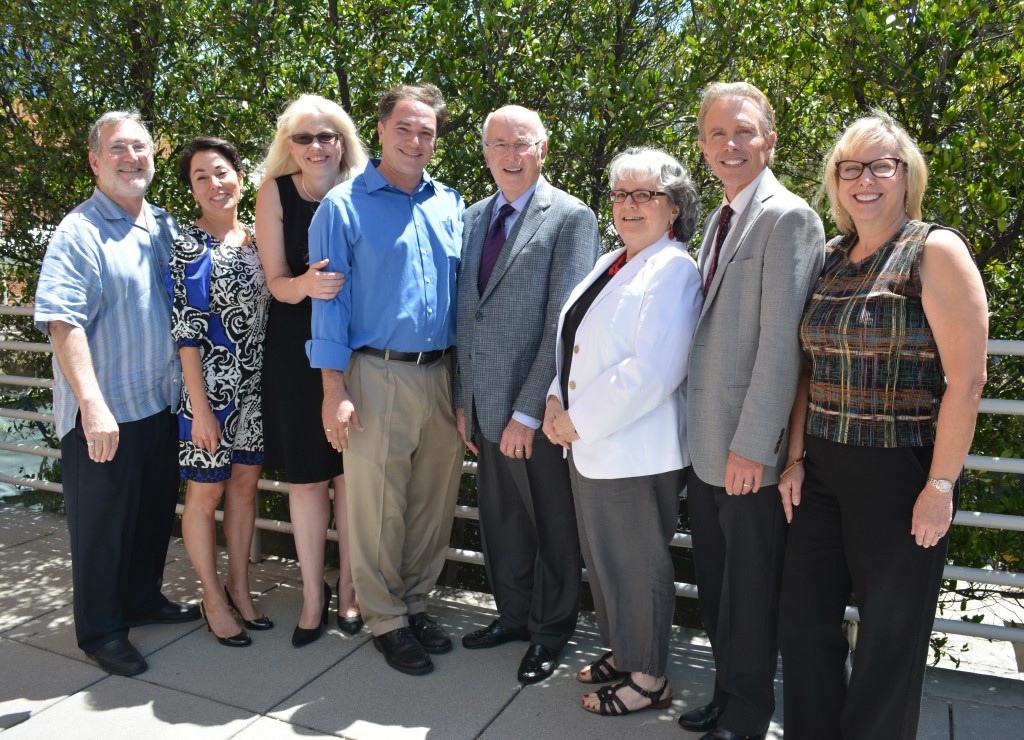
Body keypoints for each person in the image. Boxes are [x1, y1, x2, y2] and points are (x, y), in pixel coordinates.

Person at [777, 113, 988, 740]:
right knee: (803, 623)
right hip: (820, 468)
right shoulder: (832, 258)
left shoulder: (934, 249)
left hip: (901, 473)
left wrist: (941, 486)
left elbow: (968, 380)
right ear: (835, 181)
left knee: (889, 641)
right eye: (850, 168)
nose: (864, 180)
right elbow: (808, 370)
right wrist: (794, 459)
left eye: (880, 166)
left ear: (906, 175)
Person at [680, 82, 825, 740]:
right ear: (704, 145)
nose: (729, 144)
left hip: (747, 454)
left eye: (744, 132)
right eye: (717, 133)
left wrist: (755, 448)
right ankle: (723, 695)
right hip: (705, 446)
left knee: (751, 592)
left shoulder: (787, 217)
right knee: (716, 588)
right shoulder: (721, 216)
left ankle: (746, 715)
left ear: (770, 139)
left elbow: (781, 346)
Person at [33, 110, 199, 676]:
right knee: (101, 527)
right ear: (95, 161)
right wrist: (92, 404)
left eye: (142, 148)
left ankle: (142, 600)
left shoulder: (163, 225)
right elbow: (62, 321)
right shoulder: (79, 231)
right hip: (105, 414)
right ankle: (102, 630)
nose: (132, 158)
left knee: (152, 515)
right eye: (119, 149)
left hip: (158, 404)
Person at [308, 83, 465, 676]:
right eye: (404, 128)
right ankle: (386, 620)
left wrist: (464, 389)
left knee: (431, 503)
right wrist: (333, 390)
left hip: (441, 375)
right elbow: (329, 306)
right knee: (377, 507)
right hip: (374, 372)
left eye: (426, 131)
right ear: (379, 130)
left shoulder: (450, 204)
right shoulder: (342, 207)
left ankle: (416, 603)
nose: (416, 140)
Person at [543, 147, 703, 715]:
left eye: (645, 195)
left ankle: (651, 676)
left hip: (634, 449)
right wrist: (554, 399)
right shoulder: (615, 259)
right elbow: (574, 341)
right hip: (590, 444)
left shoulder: (675, 269)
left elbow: (652, 371)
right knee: (605, 559)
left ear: (673, 207)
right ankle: (625, 649)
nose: (630, 205)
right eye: (620, 194)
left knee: (639, 566)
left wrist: (575, 421)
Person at [455, 105, 599, 684]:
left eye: (522, 144)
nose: (509, 156)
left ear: (543, 150)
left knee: (550, 526)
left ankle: (549, 632)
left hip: (532, 413)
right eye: (498, 145)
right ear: (485, 152)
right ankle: (512, 616)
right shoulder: (469, 218)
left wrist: (527, 411)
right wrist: (463, 402)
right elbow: (468, 317)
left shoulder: (571, 217)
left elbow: (563, 324)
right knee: (502, 522)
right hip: (481, 408)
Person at [254, 95, 368, 647]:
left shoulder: (367, 190)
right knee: (307, 478)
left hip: (360, 351)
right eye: (304, 138)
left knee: (351, 476)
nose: (316, 147)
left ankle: (349, 589)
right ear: (288, 146)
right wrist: (305, 286)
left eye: (326, 136)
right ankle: (311, 595)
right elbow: (274, 279)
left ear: (343, 141)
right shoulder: (274, 193)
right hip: (294, 352)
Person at [167, 136, 271, 647]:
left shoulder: (257, 240)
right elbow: (186, 332)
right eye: (200, 177)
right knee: (204, 496)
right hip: (207, 392)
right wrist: (202, 410)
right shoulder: (188, 245)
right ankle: (212, 597)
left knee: (245, 489)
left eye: (221, 172)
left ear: (240, 175)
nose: (214, 184)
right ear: (191, 189)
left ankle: (240, 586)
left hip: (254, 390)